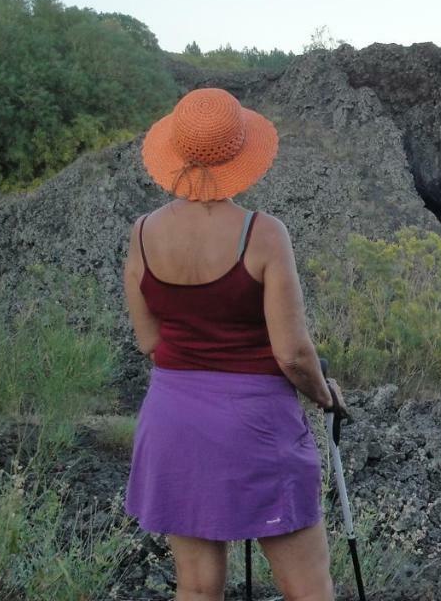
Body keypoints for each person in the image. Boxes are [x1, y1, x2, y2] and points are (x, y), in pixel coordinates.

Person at [123, 87, 346, 601]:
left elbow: (149, 341)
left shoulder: (141, 234)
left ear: (176, 153)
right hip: (257, 425)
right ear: (240, 154)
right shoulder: (264, 235)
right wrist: (323, 394)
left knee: (198, 589)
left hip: (174, 419)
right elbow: (292, 353)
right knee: (307, 588)